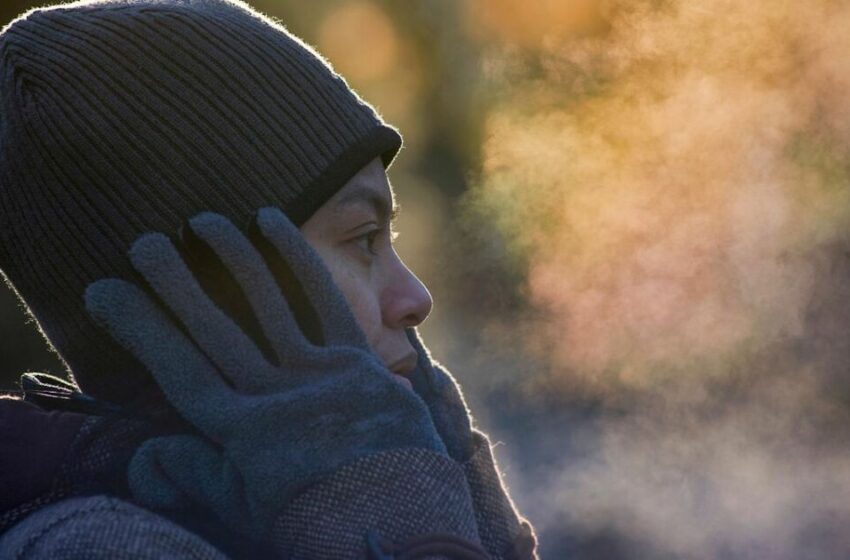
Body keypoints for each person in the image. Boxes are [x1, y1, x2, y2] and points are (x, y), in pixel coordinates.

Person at [0, 0, 538, 558]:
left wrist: (468, 511)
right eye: (363, 238)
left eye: (389, 238)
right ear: (214, 285)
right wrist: (396, 519)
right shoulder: (102, 546)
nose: (415, 299)